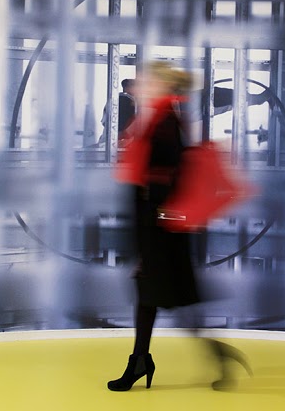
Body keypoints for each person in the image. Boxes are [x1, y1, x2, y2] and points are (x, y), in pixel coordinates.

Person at [108, 61, 250, 392]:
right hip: (162, 228)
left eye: (147, 80)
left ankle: (215, 356)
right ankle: (141, 361)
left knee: (174, 303)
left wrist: (147, 239)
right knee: (152, 298)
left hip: (160, 230)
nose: (141, 84)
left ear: (160, 85)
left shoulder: (164, 123)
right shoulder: (162, 119)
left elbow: (159, 184)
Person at [98, 78, 137, 143]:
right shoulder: (126, 100)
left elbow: (104, 121)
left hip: (109, 137)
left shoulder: (114, 98)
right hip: (119, 140)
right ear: (127, 87)